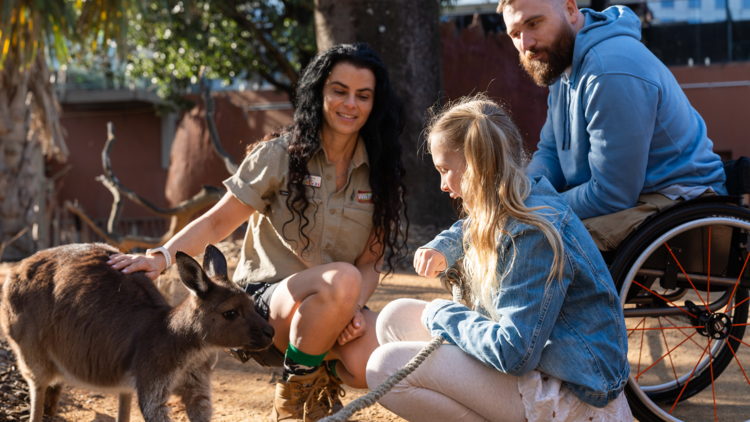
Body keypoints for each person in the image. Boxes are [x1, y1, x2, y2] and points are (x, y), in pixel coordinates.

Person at [107, 43, 408, 422]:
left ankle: (315, 375)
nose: (350, 104)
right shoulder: (280, 155)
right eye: (339, 91)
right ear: (320, 92)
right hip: (262, 312)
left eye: (363, 96)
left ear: (374, 104)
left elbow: (370, 262)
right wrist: (161, 256)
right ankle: (293, 396)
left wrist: (354, 312)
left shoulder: (381, 174)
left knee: (373, 363)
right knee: (342, 279)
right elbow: (218, 222)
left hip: (335, 305)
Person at [366, 95, 632, 422]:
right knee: (394, 317)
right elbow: (474, 224)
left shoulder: (533, 235)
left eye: (445, 170)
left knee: (386, 369)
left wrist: (441, 314)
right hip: (542, 368)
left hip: (572, 396)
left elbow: (512, 352)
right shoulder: (524, 191)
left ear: (476, 169)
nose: (442, 185)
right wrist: (443, 247)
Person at [500, 0, 727, 251]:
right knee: (521, 229)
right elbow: (551, 153)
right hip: (636, 197)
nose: (526, 44)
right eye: (516, 34)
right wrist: (521, 194)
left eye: (534, 23)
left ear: (570, 9)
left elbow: (611, 194)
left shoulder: (608, 70)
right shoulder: (561, 63)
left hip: (678, 201)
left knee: (536, 245)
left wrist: (536, 209)